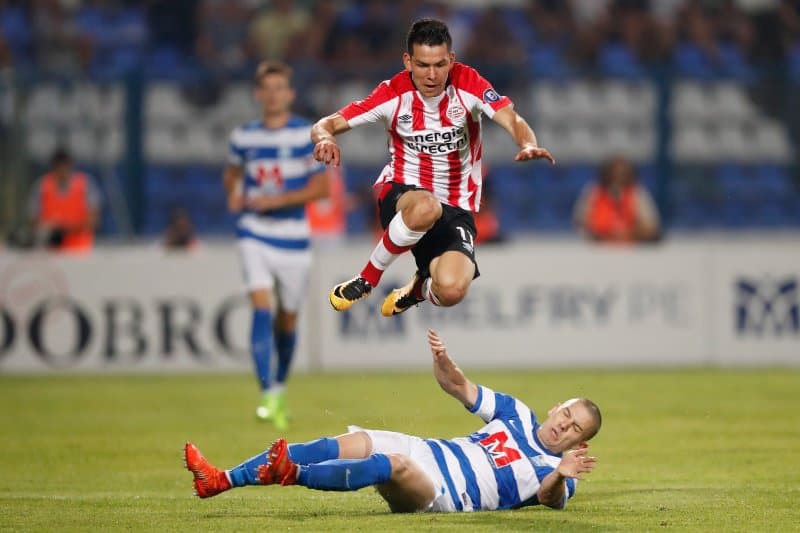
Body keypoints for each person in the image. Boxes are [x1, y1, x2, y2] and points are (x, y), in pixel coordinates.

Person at [185, 329, 600, 513]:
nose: (565, 425)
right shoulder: (516, 412)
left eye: (576, 427)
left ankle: (291, 473)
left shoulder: (561, 473)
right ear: (555, 408)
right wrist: (445, 367)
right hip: (428, 450)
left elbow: (548, 499)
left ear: (579, 442)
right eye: (567, 413)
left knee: (392, 465)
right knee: (349, 441)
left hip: (441, 493)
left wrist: (562, 474)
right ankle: (220, 479)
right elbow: (460, 388)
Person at [310, 18, 554, 317]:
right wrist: (325, 139)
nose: (432, 74)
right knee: (426, 207)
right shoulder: (392, 93)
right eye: (423, 65)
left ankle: (417, 289)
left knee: (451, 290)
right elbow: (326, 123)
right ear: (408, 61)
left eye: (439, 64)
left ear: (451, 59)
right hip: (404, 193)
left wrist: (527, 143)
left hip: (456, 205)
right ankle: (367, 278)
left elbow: (511, 118)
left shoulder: (469, 83)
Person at [224, 61, 329, 428]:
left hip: (294, 240)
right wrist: (235, 196)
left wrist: (276, 200)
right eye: (266, 88)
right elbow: (232, 175)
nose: (273, 95)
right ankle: (267, 394)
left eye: (279, 87)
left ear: (290, 93)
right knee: (261, 306)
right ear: (258, 94)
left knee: (287, 319)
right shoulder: (243, 137)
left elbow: (322, 188)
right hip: (254, 232)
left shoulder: (306, 135)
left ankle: (279, 385)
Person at [26, 148, 101, 253]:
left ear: (70, 166)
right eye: (58, 167)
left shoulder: (85, 185)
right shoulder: (42, 187)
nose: (62, 171)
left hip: (80, 251)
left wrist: (64, 228)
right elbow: (32, 219)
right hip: (50, 251)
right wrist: (46, 228)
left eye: (64, 166)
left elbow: (93, 220)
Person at [572, 156, 661, 243]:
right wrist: (602, 233)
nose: (618, 176)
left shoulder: (638, 193)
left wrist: (629, 234)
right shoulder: (593, 192)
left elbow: (651, 226)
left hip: (633, 249)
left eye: (622, 173)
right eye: (614, 173)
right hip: (597, 247)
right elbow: (580, 222)